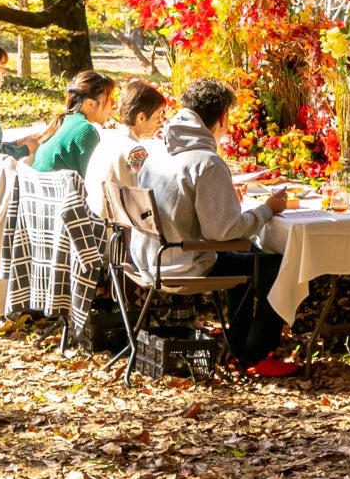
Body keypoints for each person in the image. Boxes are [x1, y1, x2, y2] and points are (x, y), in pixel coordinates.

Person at [134, 78, 298, 377]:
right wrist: (267, 209)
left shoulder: (159, 151)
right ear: (223, 118)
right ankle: (255, 354)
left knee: (248, 261)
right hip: (181, 261)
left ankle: (238, 347)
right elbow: (224, 232)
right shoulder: (207, 162)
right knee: (275, 264)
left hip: (147, 258)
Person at [85, 78, 167, 217]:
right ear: (141, 118)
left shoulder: (106, 140)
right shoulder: (135, 151)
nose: (160, 122)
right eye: (157, 116)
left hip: (93, 222)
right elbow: (144, 196)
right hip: (117, 231)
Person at [33, 70, 116, 176]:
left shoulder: (63, 121)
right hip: (61, 191)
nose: (113, 107)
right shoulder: (85, 130)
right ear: (90, 103)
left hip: (38, 190)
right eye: (110, 100)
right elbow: (95, 181)